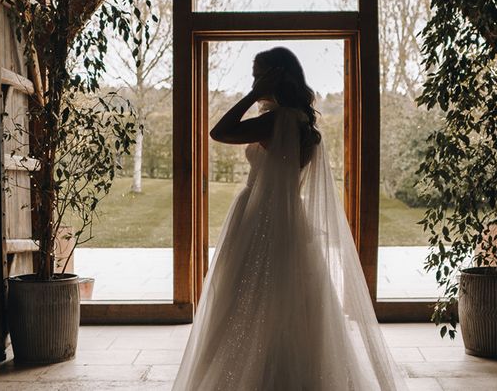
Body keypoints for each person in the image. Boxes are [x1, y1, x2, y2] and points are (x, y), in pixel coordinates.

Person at [172, 47, 404, 390]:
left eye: (258, 75)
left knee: (246, 303)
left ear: (276, 76)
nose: (254, 81)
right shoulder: (300, 120)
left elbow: (219, 132)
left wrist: (252, 95)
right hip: (290, 222)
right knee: (290, 306)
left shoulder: (275, 121)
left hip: (259, 221)